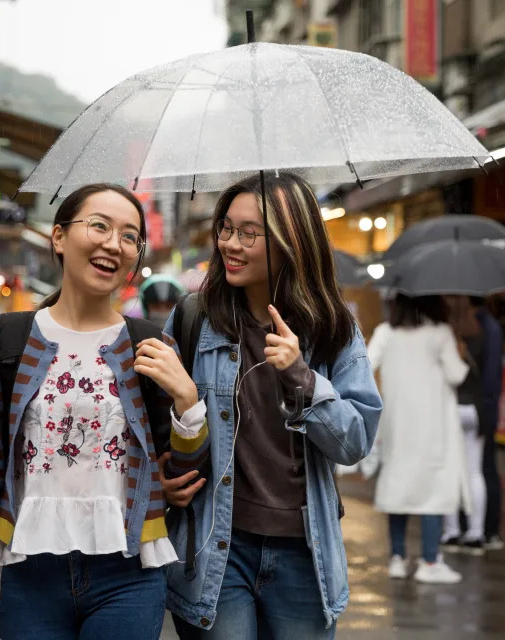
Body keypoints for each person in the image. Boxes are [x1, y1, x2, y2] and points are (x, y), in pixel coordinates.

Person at [0, 184, 208, 640]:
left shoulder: (150, 346)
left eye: (129, 236)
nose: (112, 244)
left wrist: (186, 400)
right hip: (31, 574)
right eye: (98, 226)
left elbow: (183, 471)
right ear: (58, 237)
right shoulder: (7, 343)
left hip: (129, 574)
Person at [162, 173, 382, 639]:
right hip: (217, 547)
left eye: (249, 233)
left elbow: (355, 441)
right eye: (226, 228)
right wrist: (162, 475)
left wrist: (302, 377)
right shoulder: (195, 320)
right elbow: (155, 424)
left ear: (289, 242)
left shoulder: (332, 329)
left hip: (305, 552)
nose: (230, 244)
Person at [367, 294, 470, 584]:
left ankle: (397, 559)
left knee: (398, 490)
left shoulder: (386, 333)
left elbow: (366, 363)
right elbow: (456, 375)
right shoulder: (440, 333)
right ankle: (430, 561)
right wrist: (459, 352)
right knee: (432, 492)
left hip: (397, 425)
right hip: (432, 428)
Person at [442, 296, 487, 556]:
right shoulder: (480, 335)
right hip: (475, 409)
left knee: (449, 470)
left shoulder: (443, 334)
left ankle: (451, 531)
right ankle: (476, 532)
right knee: (473, 472)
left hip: (450, 408)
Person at [474, 297, 505, 551]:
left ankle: (489, 530)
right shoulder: (486, 326)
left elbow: (489, 378)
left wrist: (487, 409)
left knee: (483, 470)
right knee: (483, 470)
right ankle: (486, 530)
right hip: (482, 407)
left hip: (480, 408)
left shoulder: (486, 327)